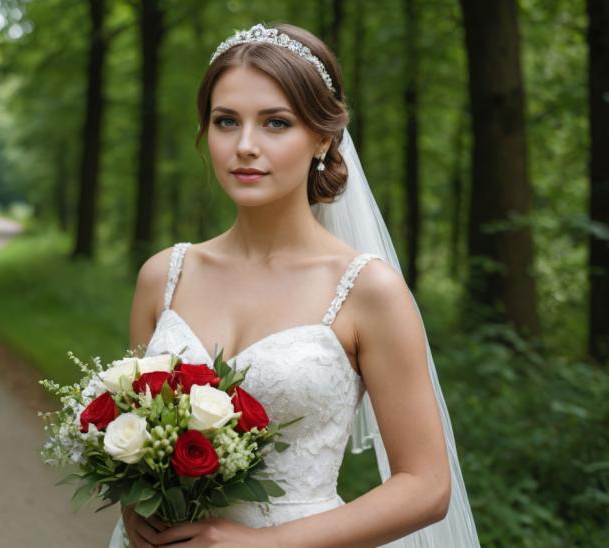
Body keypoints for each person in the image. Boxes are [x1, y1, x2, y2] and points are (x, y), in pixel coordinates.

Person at [109, 22, 480, 547]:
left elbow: (426, 486)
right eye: (225, 121)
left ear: (323, 137)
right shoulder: (164, 277)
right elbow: (137, 439)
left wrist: (261, 544)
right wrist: (134, 509)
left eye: (276, 123)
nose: (245, 146)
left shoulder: (367, 290)